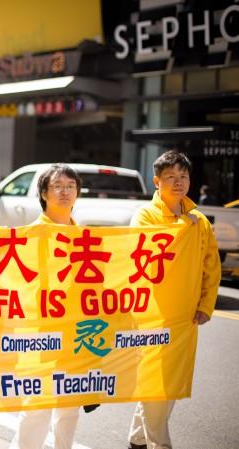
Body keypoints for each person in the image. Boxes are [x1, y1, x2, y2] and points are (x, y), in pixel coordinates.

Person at [127, 150, 220, 449]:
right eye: (170, 177)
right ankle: (159, 444)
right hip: (153, 316)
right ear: (156, 181)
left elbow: (212, 267)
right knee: (157, 381)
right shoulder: (145, 215)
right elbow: (145, 256)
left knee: (172, 384)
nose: (178, 183)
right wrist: (185, 224)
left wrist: (206, 305)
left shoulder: (200, 221)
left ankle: (138, 438)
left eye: (183, 177)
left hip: (186, 318)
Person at [12, 164, 83, 449]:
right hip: (40, 331)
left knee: (70, 402)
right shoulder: (31, 234)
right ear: (43, 193)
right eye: (57, 186)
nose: (65, 191)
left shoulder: (85, 238)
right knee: (37, 402)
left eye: (70, 186)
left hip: (76, 330)